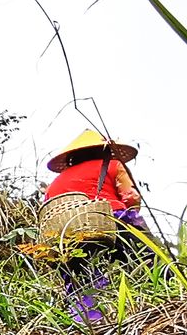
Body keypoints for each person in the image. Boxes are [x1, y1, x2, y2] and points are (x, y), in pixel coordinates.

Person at [43, 128, 153, 323]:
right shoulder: (112, 165)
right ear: (103, 150)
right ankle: (150, 304)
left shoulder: (54, 184)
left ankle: (88, 322)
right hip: (113, 222)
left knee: (81, 278)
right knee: (147, 261)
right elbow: (131, 197)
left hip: (69, 234)